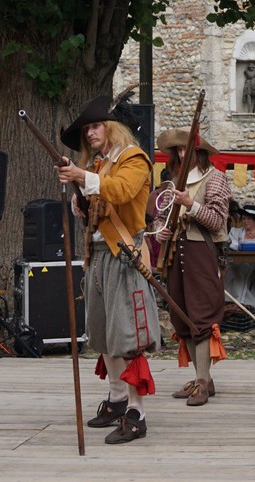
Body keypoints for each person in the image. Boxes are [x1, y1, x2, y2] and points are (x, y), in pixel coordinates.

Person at [56, 93, 161, 444]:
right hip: (99, 256)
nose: (89, 133)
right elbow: (94, 204)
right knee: (103, 333)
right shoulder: (100, 165)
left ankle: (136, 411)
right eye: (86, 128)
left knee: (127, 337)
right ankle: (117, 399)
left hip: (124, 256)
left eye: (96, 125)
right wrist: (78, 197)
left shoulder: (134, 159)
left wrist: (83, 177)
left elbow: (121, 190)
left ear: (113, 127)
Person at [155, 127, 232, 406]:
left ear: (200, 152)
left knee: (201, 317)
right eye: (178, 149)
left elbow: (217, 221)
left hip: (203, 253)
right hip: (177, 253)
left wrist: (190, 204)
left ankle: (202, 381)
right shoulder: (173, 181)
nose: (181, 154)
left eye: (187, 149)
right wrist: (160, 230)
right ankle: (203, 379)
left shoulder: (216, 180)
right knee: (181, 314)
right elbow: (160, 216)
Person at [145, 168, 172, 271]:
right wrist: (148, 241)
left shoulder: (173, 195)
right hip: (155, 235)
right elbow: (147, 219)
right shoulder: (154, 195)